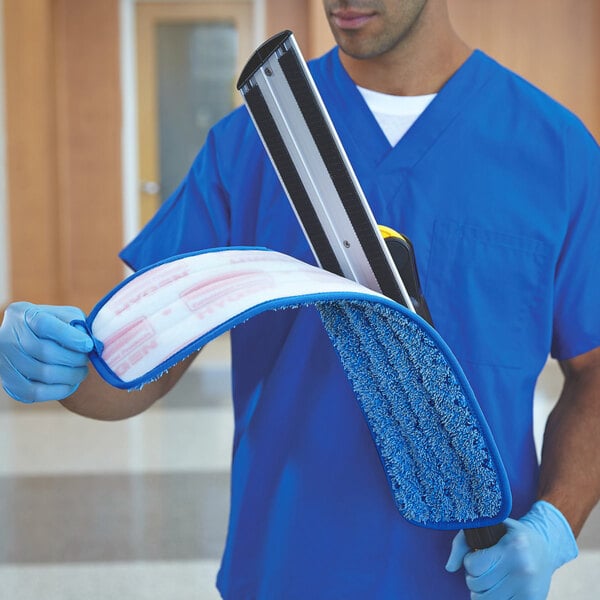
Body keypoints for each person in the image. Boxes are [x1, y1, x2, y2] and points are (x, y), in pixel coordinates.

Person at [1, 0, 599, 597]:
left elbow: (593, 369)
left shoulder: (556, 154)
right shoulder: (255, 141)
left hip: (469, 577)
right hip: (284, 571)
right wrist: (59, 367)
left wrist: (554, 525)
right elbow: (133, 369)